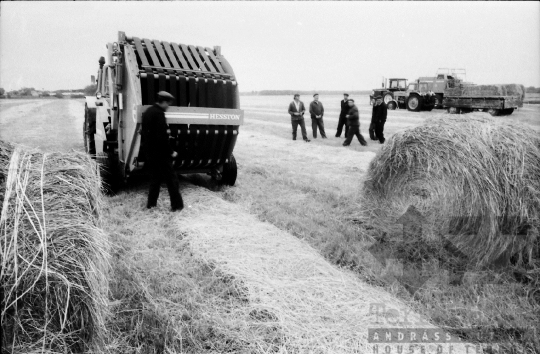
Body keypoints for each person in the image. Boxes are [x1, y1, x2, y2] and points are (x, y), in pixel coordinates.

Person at [141, 91, 184, 212]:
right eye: (168, 104)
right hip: (161, 154)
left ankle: (151, 205)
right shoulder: (159, 114)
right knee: (172, 180)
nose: (168, 107)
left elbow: (146, 133)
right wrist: (171, 152)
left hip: (150, 153)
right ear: (163, 102)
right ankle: (177, 206)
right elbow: (162, 138)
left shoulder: (148, 112)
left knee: (155, 180)